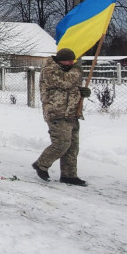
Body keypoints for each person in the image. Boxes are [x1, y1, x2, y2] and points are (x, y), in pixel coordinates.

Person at [32, 47, 90, 185]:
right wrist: (77, 70)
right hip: (56, 113)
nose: (71, 63)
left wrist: (83, 92)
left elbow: (70, 88)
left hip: (71, 113)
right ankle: (41, 164)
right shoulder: (49, 70)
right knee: (61, 144)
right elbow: (65, 82)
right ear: (61, 60)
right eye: (69, 61)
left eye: (73, 61)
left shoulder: (67, 71)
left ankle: (69, 175)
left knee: (72, 147)